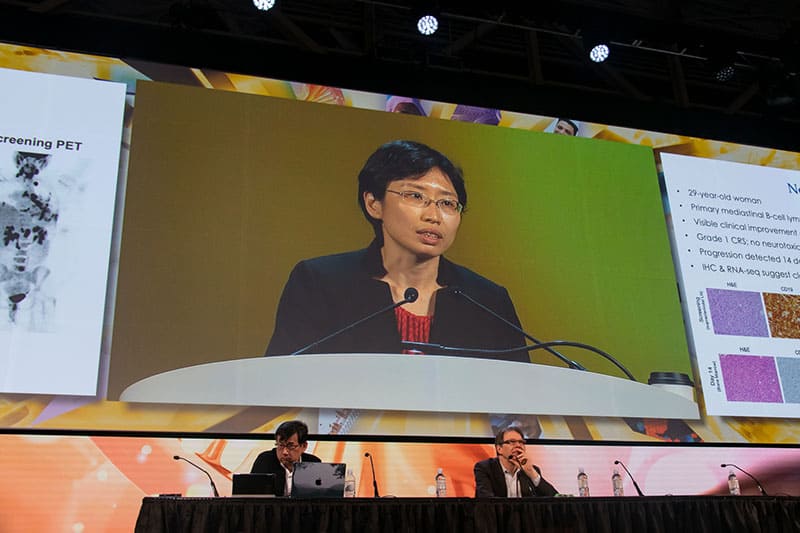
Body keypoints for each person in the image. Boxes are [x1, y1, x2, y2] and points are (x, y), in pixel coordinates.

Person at [265, 139, 527, 361]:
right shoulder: (320, 283)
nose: (434, 215)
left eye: (448, 203)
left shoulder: (488, 301)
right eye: (415, 196)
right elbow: (282, 383)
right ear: (374, 204)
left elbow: (521, 401)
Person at [473, 426, 558, 497]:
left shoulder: (531, 470)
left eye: (521, 442)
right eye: (512, 442)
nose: (518, 445)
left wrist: (531, 472)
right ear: (499, 449)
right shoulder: (485, 468)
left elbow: (554, 498)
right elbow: (487, 501)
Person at [250, 420, 321, 496]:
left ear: (303, 446)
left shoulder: (313, 464)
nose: (284, 452)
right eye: (281, 445)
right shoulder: (264, 461)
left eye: (290, 446)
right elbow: (251, 496)